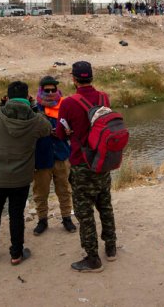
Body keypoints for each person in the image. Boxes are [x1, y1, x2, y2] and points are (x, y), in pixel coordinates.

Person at [55, 61, 117, 273]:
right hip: (103, 161)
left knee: (85, 213)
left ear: (74, 78)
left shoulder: (68, 103)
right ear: (91, 76)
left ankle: (93, 260)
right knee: (105, 205)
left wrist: (72, 133)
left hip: (81, 164)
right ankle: (111, 249)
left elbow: (61, 134)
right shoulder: (104, 98)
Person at [0, 80, 51, 265]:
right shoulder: (35, 120)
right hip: (20, 179)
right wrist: (34, 107)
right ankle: (16, 254)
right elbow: (47, 129)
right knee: (16, 215)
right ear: (28, 97)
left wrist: (1, 106)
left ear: (7, 97)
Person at [31, 76, 78, 236]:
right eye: (47, 90)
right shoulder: (34, 109)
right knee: (40, 192)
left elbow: (73, 129)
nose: (51, 93)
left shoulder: (64, 106)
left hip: (62, 154)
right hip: (42, 157)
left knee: (64, 190)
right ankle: (42, 220)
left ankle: (66, 218)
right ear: (41, 90)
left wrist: (66, 133)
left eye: (53, 90)